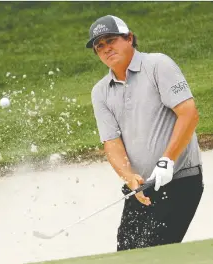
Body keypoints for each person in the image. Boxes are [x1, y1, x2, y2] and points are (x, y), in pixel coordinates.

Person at [86, 15, 204, 251]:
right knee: (128, 257)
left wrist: (167, 161)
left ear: (129, 38)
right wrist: (129, 177)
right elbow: (112, 143)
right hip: (141, 190)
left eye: (111, 40)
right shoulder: (100, 92)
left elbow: (189, 114)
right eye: (99, 46)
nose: (106, 48)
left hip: (180, 179)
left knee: (155, 252)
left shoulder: (158, 65)